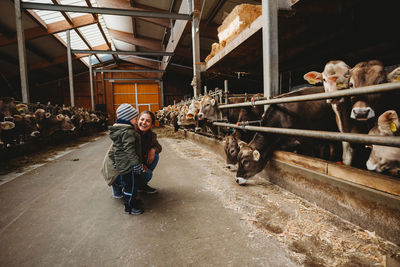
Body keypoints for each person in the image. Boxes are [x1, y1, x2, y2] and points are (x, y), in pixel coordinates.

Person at [103, 103, 145, 215]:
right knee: (130, 187)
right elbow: (129, 150)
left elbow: (117, 149)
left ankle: (132, 202)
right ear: (128, 119)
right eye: (135, 118)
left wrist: (117, 162)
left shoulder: (118, 131)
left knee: (128, 186)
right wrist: (136, 164)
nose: (137, 121)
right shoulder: (128, 132)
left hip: (122, 163)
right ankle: (130, 207)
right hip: (129, 166)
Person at [136, 110, 162, 194]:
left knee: (156, 155)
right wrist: (140, 164)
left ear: (152, 125)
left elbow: (159, 147)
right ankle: (119, 186)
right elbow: (128, 154)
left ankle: (141, 185)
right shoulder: (131, 133)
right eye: (142, 119)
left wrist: (153, 150)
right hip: (121, 168)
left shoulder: (150, 135)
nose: (144, 122)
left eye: (148, 121)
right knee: (146, 174)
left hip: (136, 165)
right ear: (137, 120)